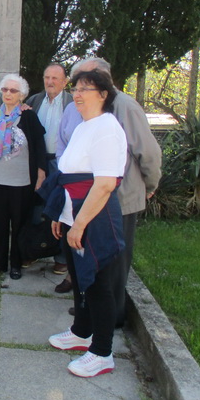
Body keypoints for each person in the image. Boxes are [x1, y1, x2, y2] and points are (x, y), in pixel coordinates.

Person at [56, 57, 161, 327]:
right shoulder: (77, 110)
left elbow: (146, 151)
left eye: (84, 82)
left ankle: (111, 321)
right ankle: (89, 314)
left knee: (112, 264)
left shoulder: (124, 106)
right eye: (76, 84)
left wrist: (150, 185)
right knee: (90, 261)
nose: (78, 89)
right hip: (83, 199)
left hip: (120, 197)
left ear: (102, 81)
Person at [45, 69, 127, 378]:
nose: (77, 94)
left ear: (104, 95)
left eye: (86, 89)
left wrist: (79, 224)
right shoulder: (84, 125)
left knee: (98, 283)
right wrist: (61, 215)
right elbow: (70, 171)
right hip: (73, 211)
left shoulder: (107, 128)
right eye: (76, 88)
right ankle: (81, 331)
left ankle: (102, 352)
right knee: (79, 279)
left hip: (95, 215)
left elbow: (104, 184)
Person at [0, 74, 47, 280]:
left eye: (13, 91)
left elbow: (39, 147)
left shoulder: (29, 116)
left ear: (21, 95)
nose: (8, 94)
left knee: (20, 225)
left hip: (21, 182)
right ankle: (0, 263)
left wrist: (41, 174)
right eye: (5, 89)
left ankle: (16, 264)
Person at [26, 63, 73, 283]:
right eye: (47, 77)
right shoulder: (34, 101)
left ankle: (61, 257)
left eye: (55, 78)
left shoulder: (72, 103)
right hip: (38, 162)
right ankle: (34, 250)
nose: (50, 82)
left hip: (62, 163)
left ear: (65, 81)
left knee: (61, 207)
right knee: (35, 208)